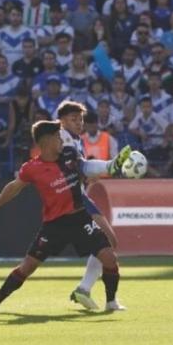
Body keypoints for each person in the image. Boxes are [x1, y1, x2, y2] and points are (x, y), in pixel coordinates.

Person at [0, 121, 132, 313]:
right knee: (27, 266)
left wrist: (109, 166)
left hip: (81, 219)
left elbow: (86, 167)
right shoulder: (32, 168)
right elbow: (14, 187)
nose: (61, 140)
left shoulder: (70, 154)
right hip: (54, 225)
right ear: (46, 141)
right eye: (57, 137)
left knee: (109, 258)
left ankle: (111, 302)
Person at [55, 100, 121, 310]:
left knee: (104, 244)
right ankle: (93, 293)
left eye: (80, 119)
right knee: (108, 241)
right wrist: (109, 166)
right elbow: (81, 166)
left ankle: (89, 290)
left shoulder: (75, 140)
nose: (79, 123)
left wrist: (87, 175)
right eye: (74, 119)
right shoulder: (62, 140)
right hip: (72, 199)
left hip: (75, 196)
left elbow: (77, 168)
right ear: (63, 121)